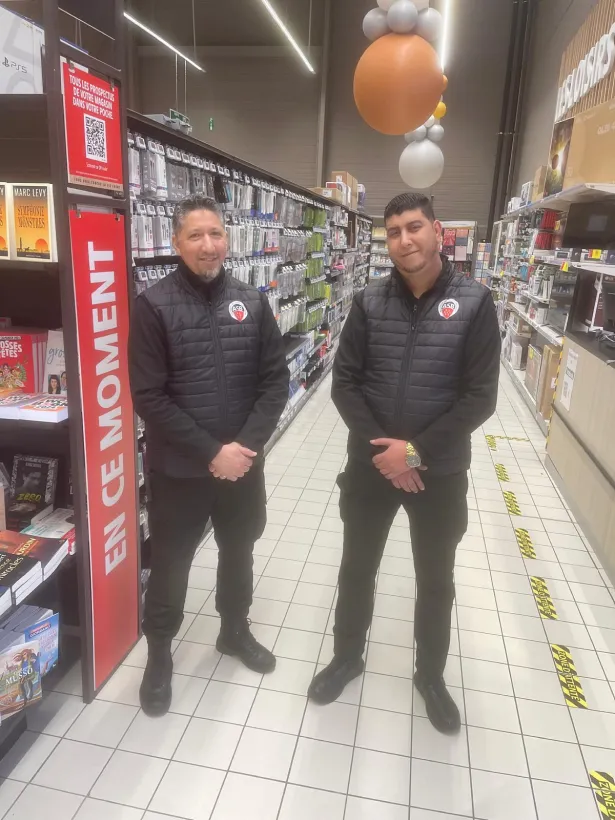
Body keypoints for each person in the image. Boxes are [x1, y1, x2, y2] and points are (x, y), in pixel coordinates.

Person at [308, 193, 501, 734]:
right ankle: (347, 657)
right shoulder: (369, 301)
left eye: (414, 227)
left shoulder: (475, 302)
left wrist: (414, 453)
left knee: (435, 578)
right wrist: (386, 455)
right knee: (357, 567)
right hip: (370, 468)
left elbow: (480, 398)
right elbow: (345, 384)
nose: (404, 240)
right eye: (393, 232)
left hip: (439, 473)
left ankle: (431, 676)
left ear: (437, 231)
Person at [129, 195, 289, 717]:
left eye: (216, 233)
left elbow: (275, 381)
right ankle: (159, 655)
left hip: (242, 464)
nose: (208, 245)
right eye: (195, 235)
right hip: (180, 469)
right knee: (171, 562)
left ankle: (234, 630)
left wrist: (244, 448)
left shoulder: (252, 301)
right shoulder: (153, 306)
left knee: (239, 549)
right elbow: (148, 396)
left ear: (228, 239)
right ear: (177, 243)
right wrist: (210, 452)